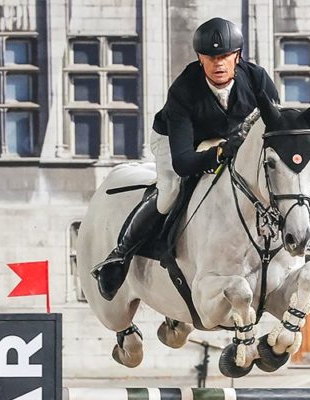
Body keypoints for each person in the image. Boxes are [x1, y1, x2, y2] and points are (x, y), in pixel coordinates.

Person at [91, 17, 281, 301]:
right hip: (177, 142)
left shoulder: (256, 78)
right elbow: (183, 162)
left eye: (226, 56)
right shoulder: (184, 90)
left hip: (233, 140)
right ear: (200, 58)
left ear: (237, 56)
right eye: (211, 57)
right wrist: (219, 153)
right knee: (170, 192)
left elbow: (274, 127)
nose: (218, 64)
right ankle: (121, 255)